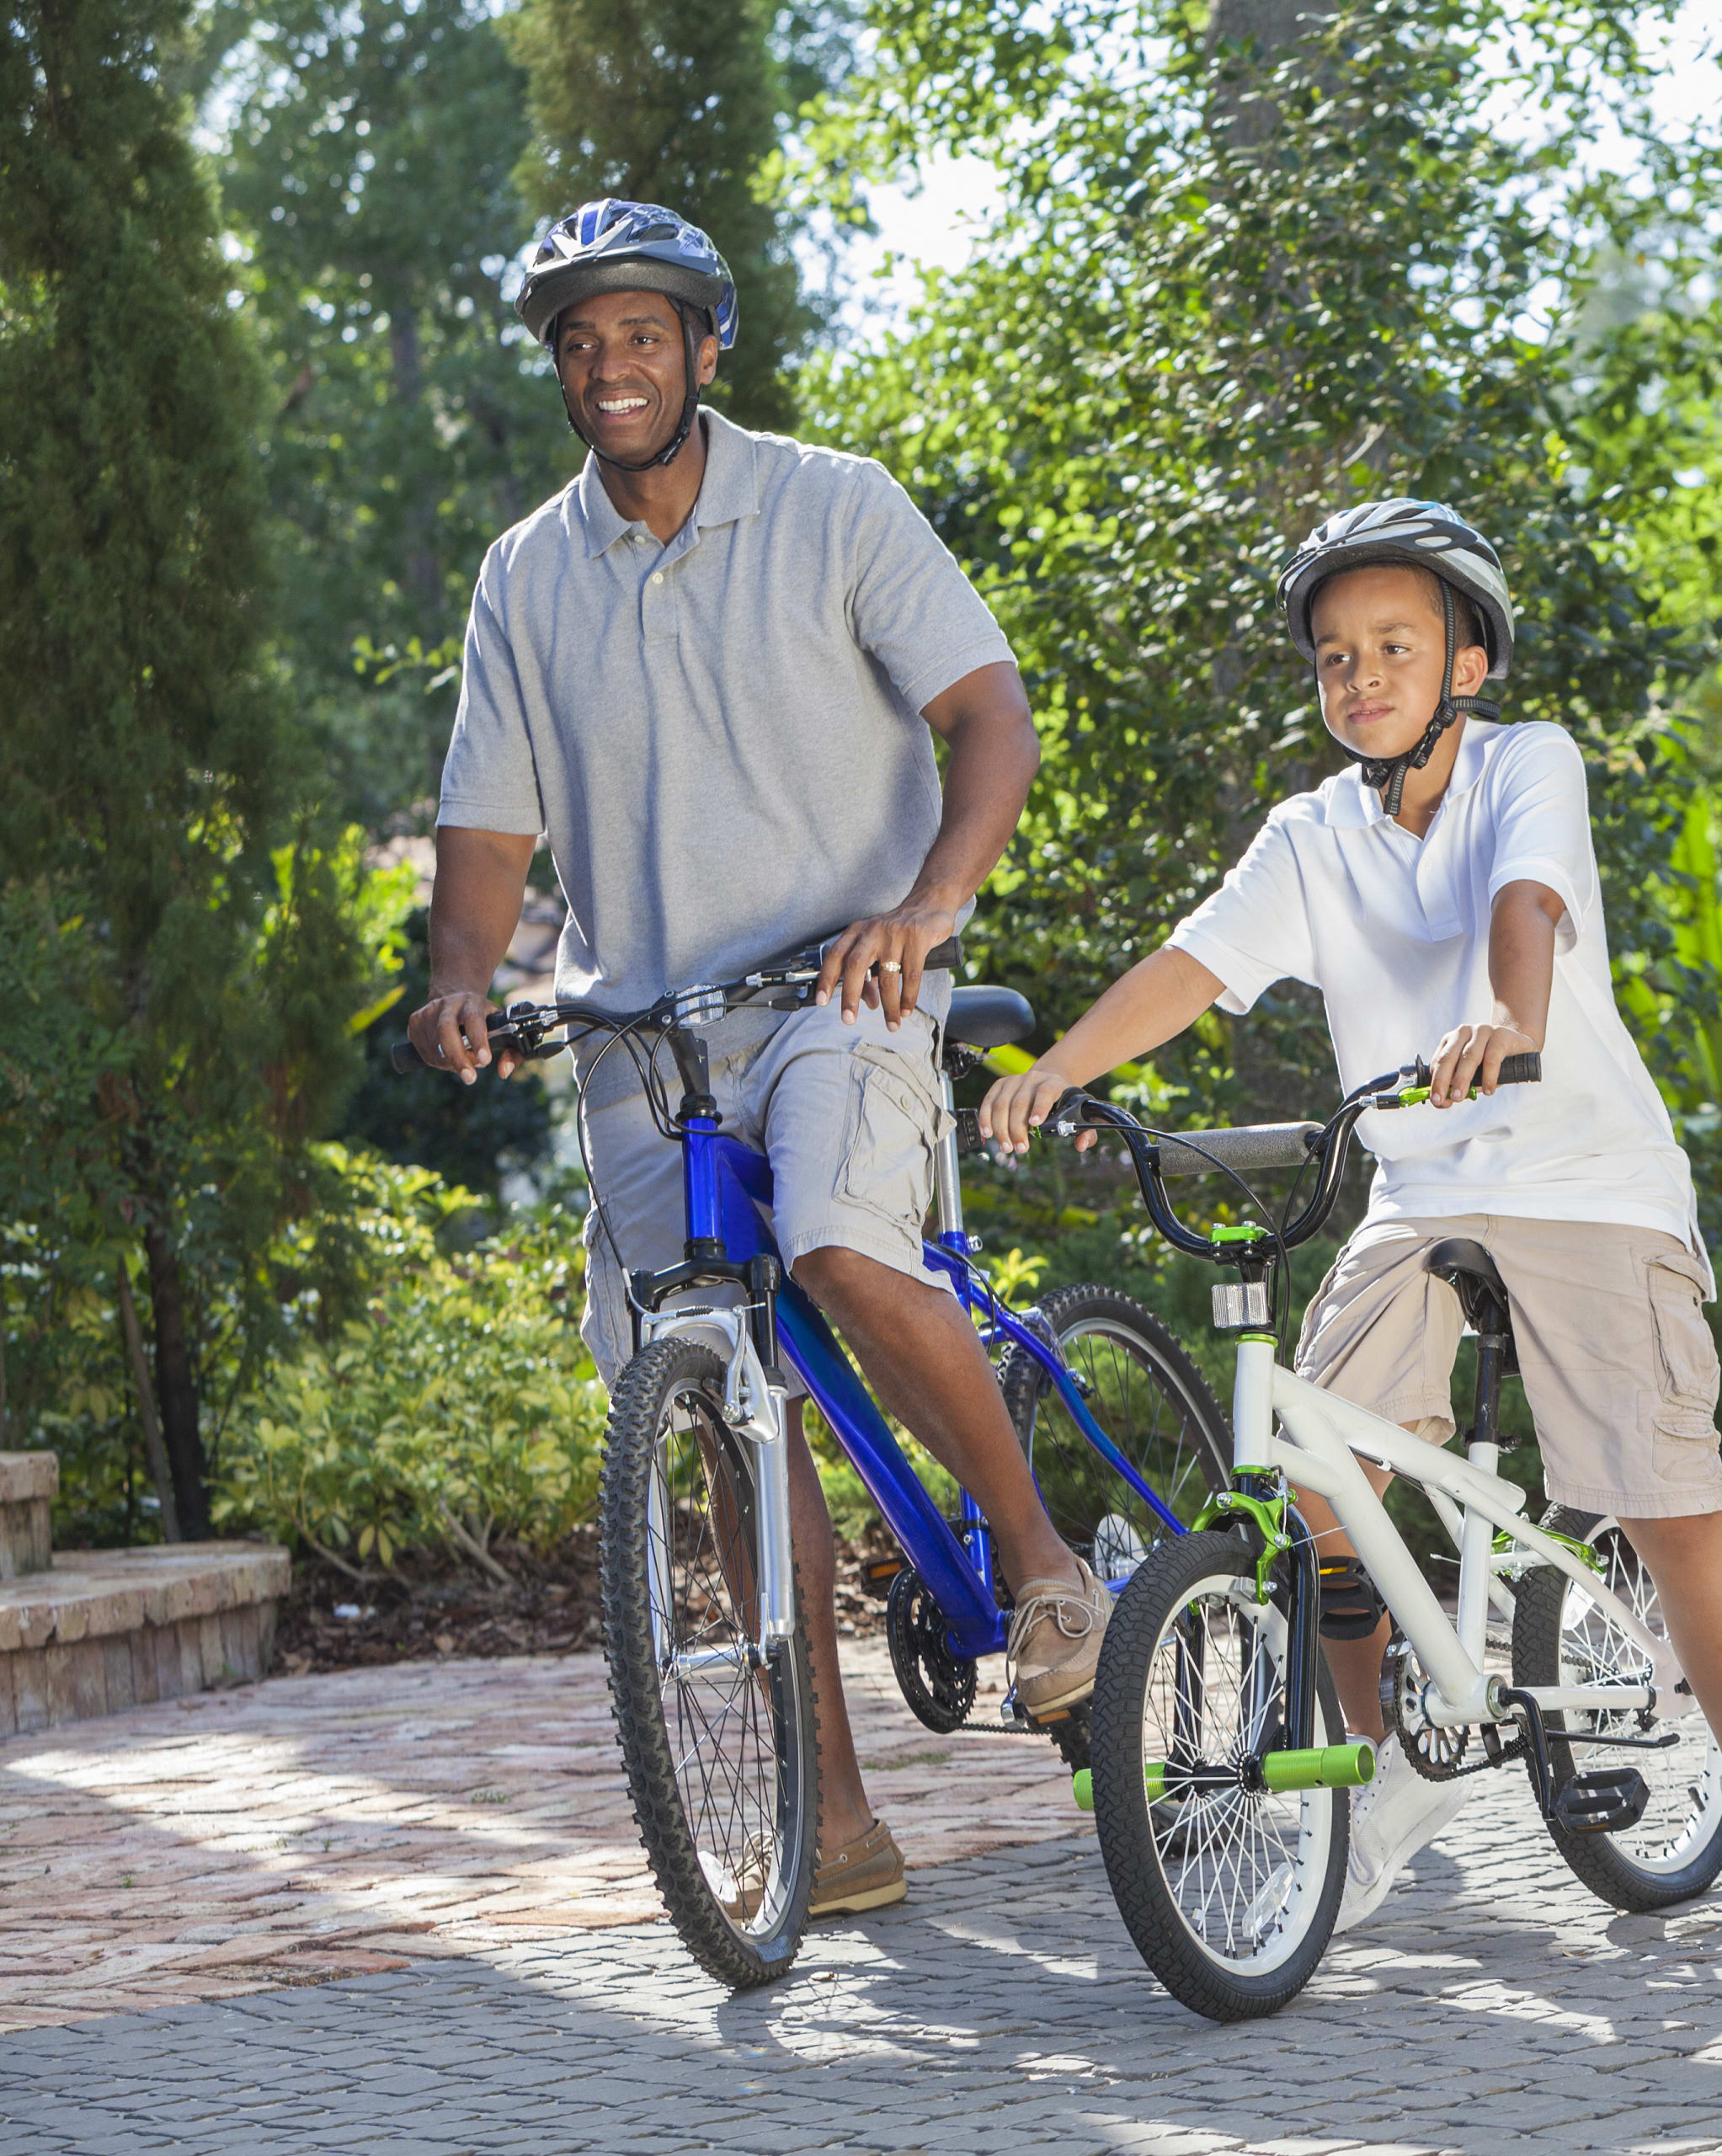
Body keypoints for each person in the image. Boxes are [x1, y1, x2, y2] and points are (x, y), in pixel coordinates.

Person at [977, 499, 1722, 1925]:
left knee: (1665, 1484)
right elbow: (1197, 962)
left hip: (1586, 1180)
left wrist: (1508, 1019)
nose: (1361, 675)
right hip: (1421, 1188)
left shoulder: (1530, 763)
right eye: (1334, 656)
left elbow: (1527, 906)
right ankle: (1366, 1781)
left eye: (1395, 644)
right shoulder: (1312, 830)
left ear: (1468, 661)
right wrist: (1065, 1068)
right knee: (1317, 1475)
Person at [408, 199, 1103, 1919]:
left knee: (850, 1249)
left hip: (841, 981)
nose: (609, 365)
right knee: (719, 1398)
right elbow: (486, 829)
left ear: (707, 348)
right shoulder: (527, 571)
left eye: (641, 332)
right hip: (641, 1022)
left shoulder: (834, 503)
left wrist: (932, 908)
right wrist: (462, 978)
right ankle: (836, 1815)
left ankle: (1040, 1560)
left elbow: (988, 714)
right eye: (579, 341)